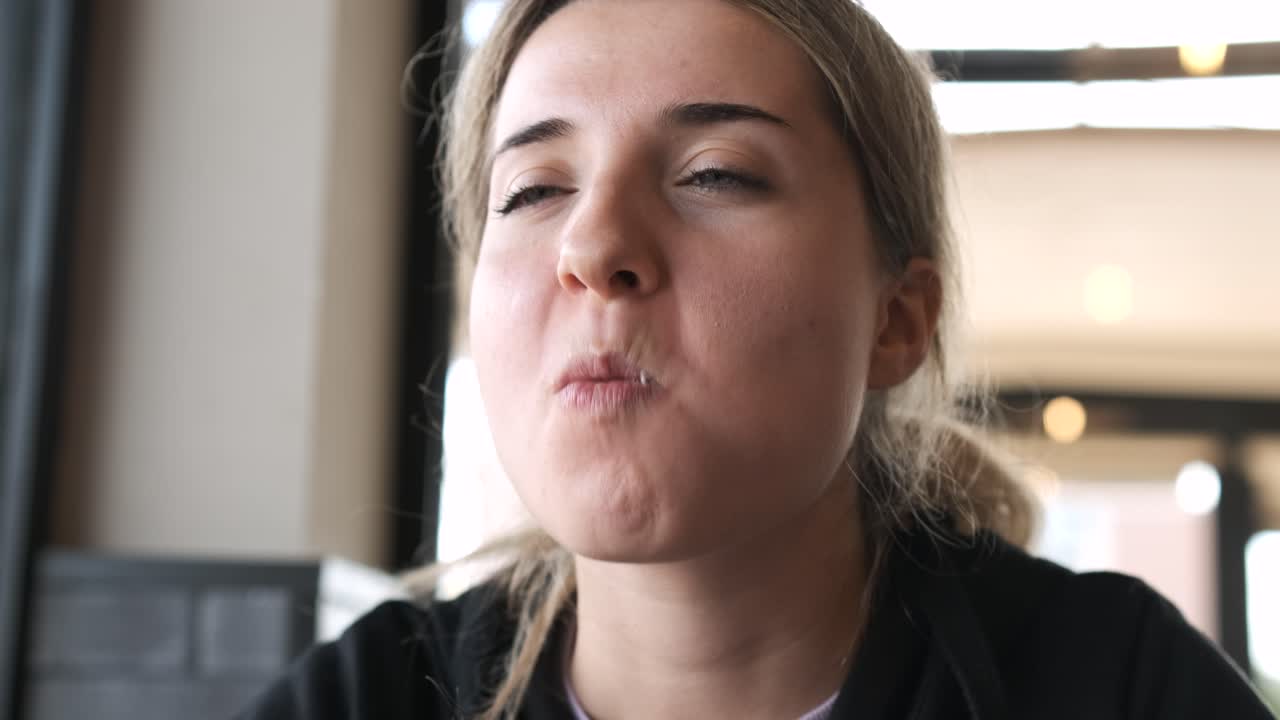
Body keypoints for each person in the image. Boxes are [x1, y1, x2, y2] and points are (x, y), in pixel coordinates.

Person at [237, 0, 1276, 718]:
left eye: (715, 174)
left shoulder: (1110, 687)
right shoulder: (371, 697)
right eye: (532, 191)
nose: (592, 249)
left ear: (895, 320)